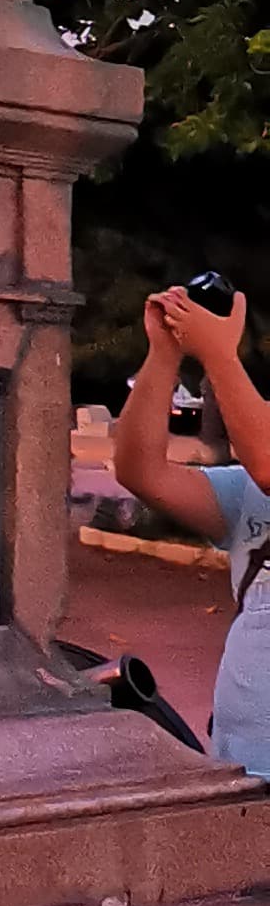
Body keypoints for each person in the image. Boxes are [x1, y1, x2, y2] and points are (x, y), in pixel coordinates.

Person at [109, 282, 270, 770]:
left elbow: (264, 459)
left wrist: (220, 355)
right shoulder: (250, 497)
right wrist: (165, 355)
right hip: (240, 775)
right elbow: (142, 473)